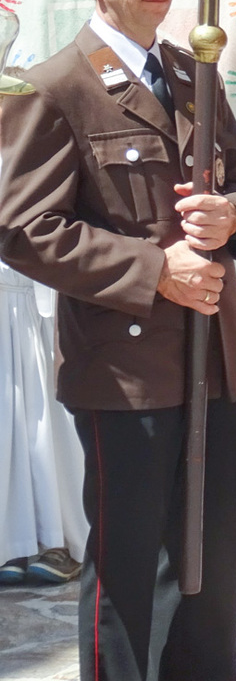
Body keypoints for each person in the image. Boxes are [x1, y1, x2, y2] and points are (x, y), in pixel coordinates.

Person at [0, 0, 236, 680]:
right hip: (125, 369)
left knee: (211, 569)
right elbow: (23, 227)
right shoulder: (55, 87)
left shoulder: (193, 73)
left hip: (214, 357)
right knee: (129, 576)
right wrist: (155, 271)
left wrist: (230, 216)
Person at [0, 220, 87, 586]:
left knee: (47, 419)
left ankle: (59, 538)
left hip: (42, 285)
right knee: (7, 420)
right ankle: (11, 542)